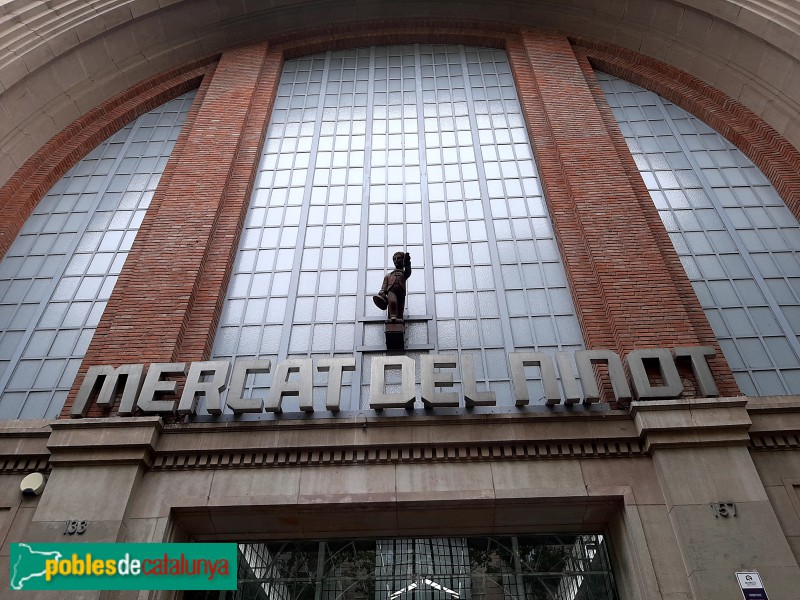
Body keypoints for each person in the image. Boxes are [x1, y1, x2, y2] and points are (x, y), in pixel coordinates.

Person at [373, 252, 411, 322]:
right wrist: (382, 291)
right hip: (391, 291)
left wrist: (407, 263)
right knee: (392, 301)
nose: (396, 260)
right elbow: (384, 284)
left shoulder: (404, 274)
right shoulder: (388, 275)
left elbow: (408, 271)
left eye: (399, 258)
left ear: (403, 260)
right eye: (394, 259)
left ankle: (399, 317)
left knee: (400, 305)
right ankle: (393, 316)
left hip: (401, 291)